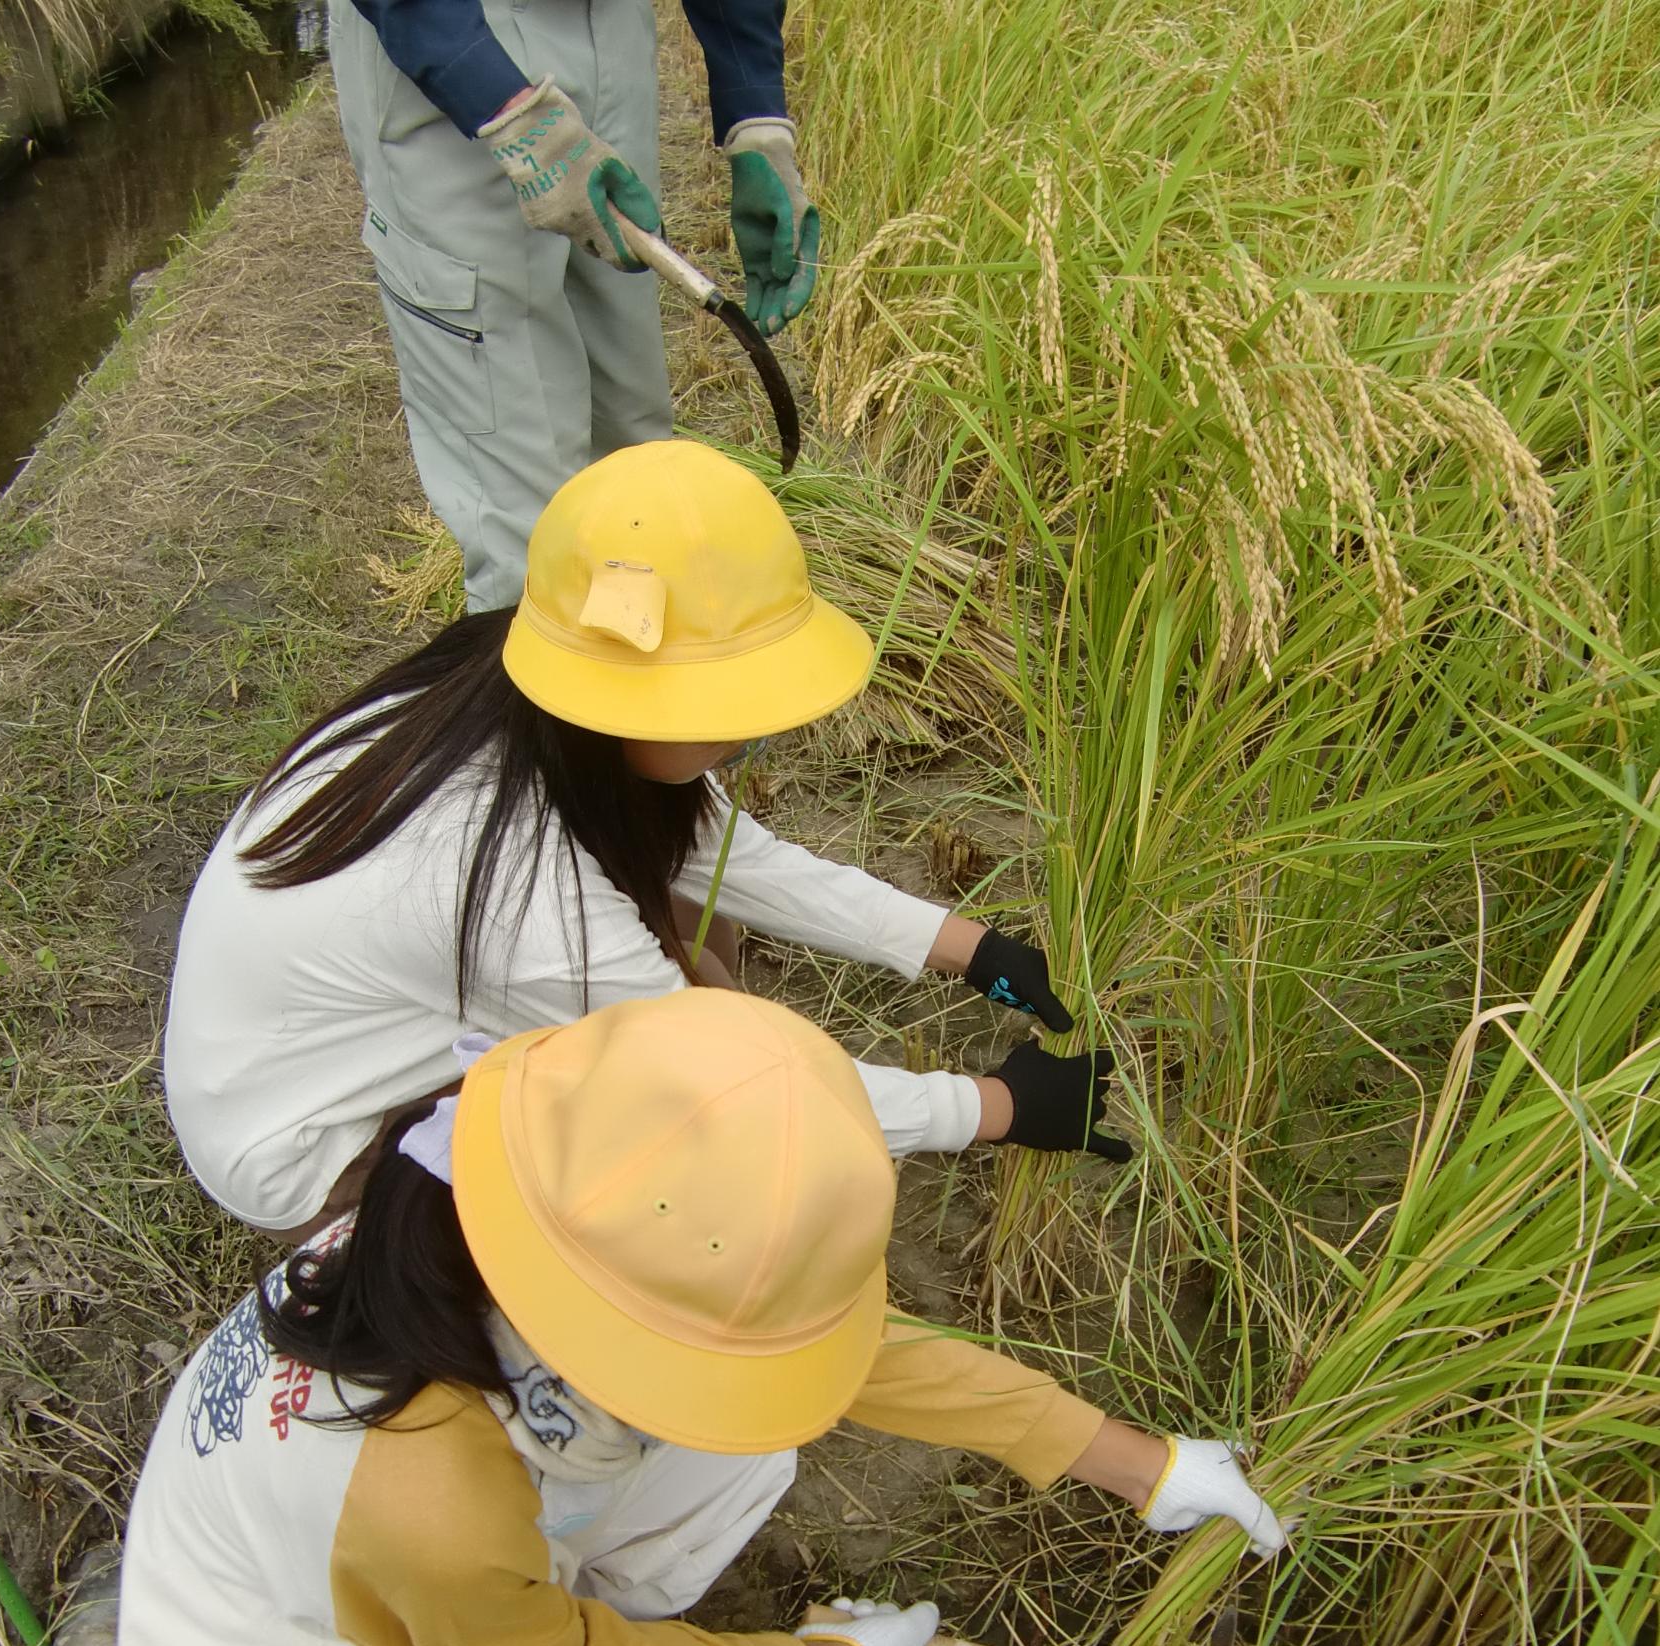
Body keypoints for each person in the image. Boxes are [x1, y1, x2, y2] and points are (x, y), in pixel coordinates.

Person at [122, 987, 1286, 1646]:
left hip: (357, 1586)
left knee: (752, 1437)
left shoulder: (500, 1191)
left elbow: (852, 1354)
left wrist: (1142, 1463)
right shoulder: (432, 1498)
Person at [164, 441, 1132, 1239]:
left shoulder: (516, 687)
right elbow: (727, 1091)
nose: (755, 724)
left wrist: (970, 950)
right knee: (696, 1163)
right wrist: (996, 1108)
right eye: (725, 696)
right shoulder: (508, 883)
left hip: (340, 1034)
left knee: (702, 945)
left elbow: (731, 856)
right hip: (313, 1148)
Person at [327, 0, 816, 609]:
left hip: (611, 32)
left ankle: (632, 679)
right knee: (527, 527)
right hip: (447, 48)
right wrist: (496, 99)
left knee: (635, 457)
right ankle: (525, 689)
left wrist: (757, 115)